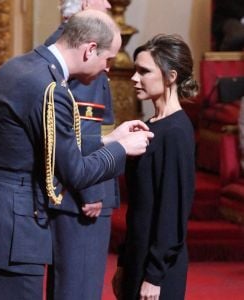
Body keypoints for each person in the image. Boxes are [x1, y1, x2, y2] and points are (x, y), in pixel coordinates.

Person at [0, 9, 154, 300]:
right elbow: (76, 173)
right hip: (13, 235)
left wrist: (110, 140)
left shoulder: (16, 67)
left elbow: (44, 147)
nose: (108, 69)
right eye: (107, 60)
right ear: (89, 49)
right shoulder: (51, 89)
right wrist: (122, 150)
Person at [112, 34, 198, 300]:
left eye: (143, 71)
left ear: (170, 76)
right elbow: (139, 207)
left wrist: (154, 275)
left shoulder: (176, 132)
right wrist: (125, 261)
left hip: (158, 271)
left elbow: (172, 212)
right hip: (139, 257)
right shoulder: (151, 126)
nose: (134, 78)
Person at [44, 1, 120, 299]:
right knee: (79, 286)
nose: (109, 4)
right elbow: (84, 127)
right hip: (83, 196)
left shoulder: (60, 44)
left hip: (70, 191)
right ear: (87, 3)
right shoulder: (87, 52)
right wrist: (93, 191)